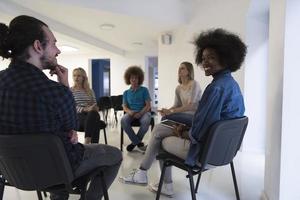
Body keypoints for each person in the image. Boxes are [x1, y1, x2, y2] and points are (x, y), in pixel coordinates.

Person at [0, 15, 122, 200]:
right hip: (58, 168)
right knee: (115, 154)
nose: (57, 50)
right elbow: (72, 127)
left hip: (13, 171)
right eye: (54, 44)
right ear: (38, 46)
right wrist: (64, 86)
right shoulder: (55, 91)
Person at [119, 28, 246, 198]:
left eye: (212, 57)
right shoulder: (232, 85)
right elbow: (213, 122)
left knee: (161, 140)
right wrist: (173, 117)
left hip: (204, 151)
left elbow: (200, 131)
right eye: (204, 58)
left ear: (226, 57)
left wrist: (183, 131)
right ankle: (143, 174)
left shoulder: (215, 89)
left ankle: (163, 183)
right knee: (160, 128)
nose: (205, 62)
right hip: (224, 151)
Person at [159, 61, 202, 126]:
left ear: (188, 71)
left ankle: (179, 128)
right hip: (183, 114)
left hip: (194, 115)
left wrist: (171, 112)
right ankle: (178, 129)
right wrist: (166, 111)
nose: (179, 70)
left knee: (165, 118)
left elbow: (190, 106)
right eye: (179, 68)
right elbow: (176, 105)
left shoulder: (194, 84)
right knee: (164, 118)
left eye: (182, 68)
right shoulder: (178, 88)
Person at [121, 66, 151, 152]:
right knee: (123, 120)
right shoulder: (126, 93)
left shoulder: (144, 90)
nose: (134, 80)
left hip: (143, 112)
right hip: (131, 113)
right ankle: (138, 142)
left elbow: (148, 105)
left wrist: (141, 113)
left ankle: (134, 143)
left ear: (139, 79)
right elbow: (124, 106)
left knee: (146, 120)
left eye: (136, 78)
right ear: (129, 79)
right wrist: (129, 112)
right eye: (132, 78)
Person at [71, 67, 105, 144]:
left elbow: (94, 103)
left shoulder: (90, 91)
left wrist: (95, 108)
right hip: (78, 116)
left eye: (79, 76)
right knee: (95, 121)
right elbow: (72, 107)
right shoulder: (71, 91)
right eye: (74, 75)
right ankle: (93, 145)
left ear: (83, 78)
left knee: (94, 114)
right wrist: (85, 109)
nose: (76, 78)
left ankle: (87, 142)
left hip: (91, 114)